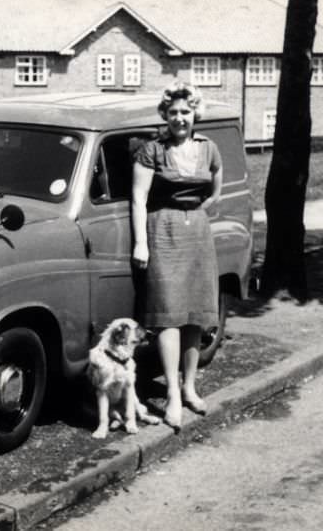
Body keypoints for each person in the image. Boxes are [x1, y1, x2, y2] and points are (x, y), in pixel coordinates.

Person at [131, 82, 223, 432]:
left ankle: (189, 387)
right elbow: (138, 198)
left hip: (197, 232)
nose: (180, 118)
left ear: (194, 113)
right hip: (162, 231)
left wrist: (197, 212)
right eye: (173, 113)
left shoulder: (208, 148)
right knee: (169, 315)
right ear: (165, 115)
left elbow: (215, 190)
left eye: (186, 112)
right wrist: (141, 242)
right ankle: (171, 393)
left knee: (195, 316)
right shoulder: (151, 151)